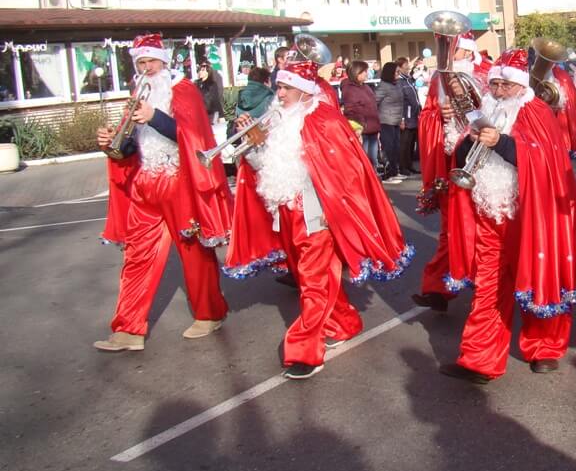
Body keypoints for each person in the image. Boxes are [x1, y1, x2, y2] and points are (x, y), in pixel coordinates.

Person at [224, 59, 414, 379]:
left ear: (304, 90)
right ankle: (343, 322)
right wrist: (254, 144)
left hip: (316, 213)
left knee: (312, 279)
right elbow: (264, 167)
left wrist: (333, 210)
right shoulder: (278, 118)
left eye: (286, 87)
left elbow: (347, 172)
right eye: (278, 86)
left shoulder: (324, 120)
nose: (279, 93)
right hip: (286, 211)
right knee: (312, 277)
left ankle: (305, 351)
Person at [438, 48, 576, 383]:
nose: (499, 91)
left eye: (506, 85)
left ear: (522, 85)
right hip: (489, 211)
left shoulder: (537, 111)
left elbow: (544, 161)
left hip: (530, 214)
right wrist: (469, 141)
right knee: (488, 284)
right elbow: (462, 156)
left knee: (539, 277)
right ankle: (479, 359)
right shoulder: (485, 108)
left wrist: (500, 142)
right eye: (495, 84)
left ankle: (544, 347)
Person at [94, 32, 232, 352]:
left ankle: (210, 313)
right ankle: (128, 328)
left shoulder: (183, 90)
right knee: (137, 256)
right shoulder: (137, 94)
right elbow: (130, 146)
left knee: (194, 253)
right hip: (146, 183)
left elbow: (192, 137)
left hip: (178, 181)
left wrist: (154, 117)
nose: (146, 68)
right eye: (141, 63)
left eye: (151, 61)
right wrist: (112, 143)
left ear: (163, 61)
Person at [412, 34, 487, 313]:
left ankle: (484, 286)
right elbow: (425, 117)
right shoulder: (436, 79)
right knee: (449, 230)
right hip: (447, 163)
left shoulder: (486, 74)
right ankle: (437, 289)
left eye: (454, 50)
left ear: (467, 52)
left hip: (479, 165)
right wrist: (438, 117)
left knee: (480, 231)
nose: (449, 55)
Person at [340, 61, 380, 169]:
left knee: (373, 160)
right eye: (364, 71)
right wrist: (359, 127)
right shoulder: (349, 88)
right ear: (356, 72)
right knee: (364, 159)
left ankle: (374, 176)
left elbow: (372, 106)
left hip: (372, 128)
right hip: (361, 130)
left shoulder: (366, 87)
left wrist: (376, 125)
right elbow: (351, 110)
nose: (367, 73)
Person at [375, 62, 405, 184]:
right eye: (396, 72)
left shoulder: (397, 85)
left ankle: (395, 171)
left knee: (396, 147)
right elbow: (375, 102)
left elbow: (401, 103)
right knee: (388, 148)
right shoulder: (383, 86)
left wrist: (401, 119)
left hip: (396, 120)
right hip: (386, 121)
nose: (398, 74)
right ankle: (387, 174)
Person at [396, 56, 422, 177]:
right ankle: (403, 167)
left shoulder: (409, 80)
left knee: (411, 144)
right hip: (406, 117)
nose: (408, 68)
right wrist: (401, 118)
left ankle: (409, 165)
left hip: (414, 117)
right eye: (405, 66)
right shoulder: (399, 82)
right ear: (400, 67)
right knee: (404, 144)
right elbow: (399, 101)